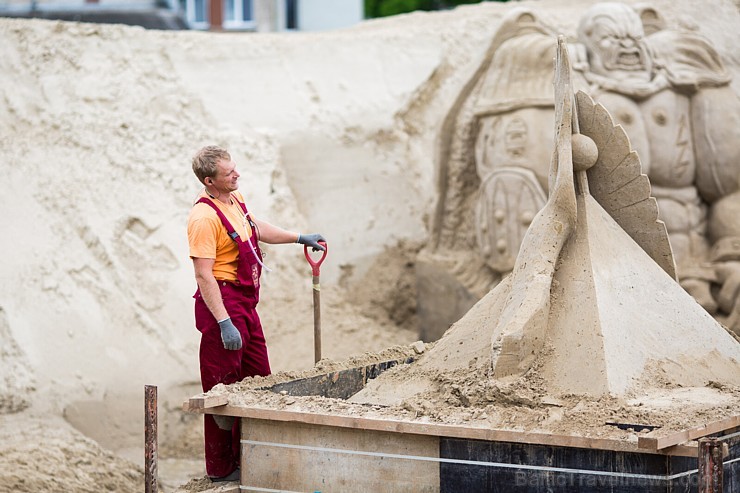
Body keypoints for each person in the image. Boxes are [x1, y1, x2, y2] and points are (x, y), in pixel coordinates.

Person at [187, 145, 325, 482]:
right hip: (222, 304)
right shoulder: (203, 219)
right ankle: (221, 469)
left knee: (259, 379)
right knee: (222, 391)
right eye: (228, 172)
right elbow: (204, 274)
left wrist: (298, 237)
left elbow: (253, 228)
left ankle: (252, 456)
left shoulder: (234, 199)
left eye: (235, 168)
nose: (237, 174)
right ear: (210, 180)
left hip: (245, 305)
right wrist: (223, 322)